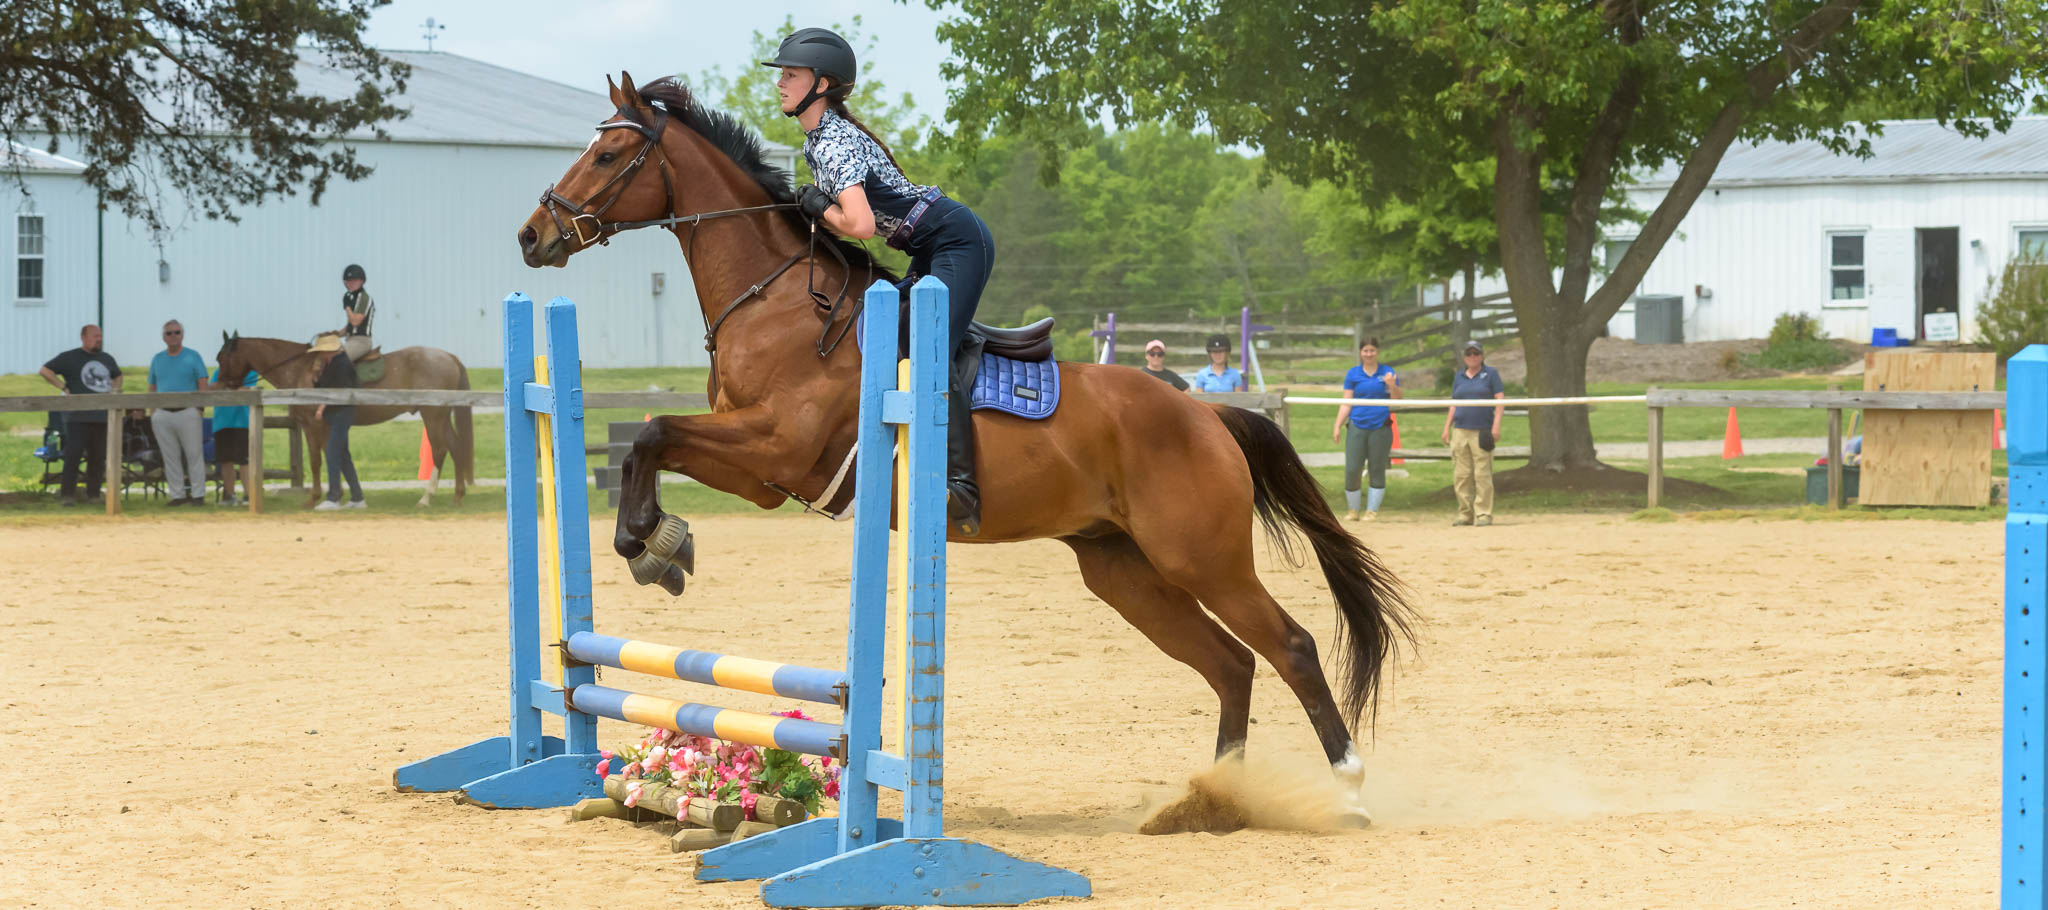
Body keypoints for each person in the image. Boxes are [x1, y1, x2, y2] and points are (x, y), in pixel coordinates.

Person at [768, 27, 993, 536]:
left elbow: (862, 227)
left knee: (927, 348)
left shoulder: (834, 140)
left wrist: (821, 207)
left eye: (790, 74)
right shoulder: (818, 140)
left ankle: (962, 484)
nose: (780, 83)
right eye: (781, 74)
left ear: (821, 83)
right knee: (894, 339)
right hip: (929, 247)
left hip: (957, 242)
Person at [38, 324, 123, 506]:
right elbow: (45, 370)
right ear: (84, 337)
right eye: (95, 336)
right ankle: (67, 495)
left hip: (101, 417)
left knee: (98, 457)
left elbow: (118, 375)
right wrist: (63, 387)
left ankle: (93, 494)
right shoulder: (70, 357)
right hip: (77, 417)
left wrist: (115, 391)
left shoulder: (107, 358)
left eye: (100, 335)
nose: (98, 339)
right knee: (73, 455)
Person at [1332, 337, 1401, 522]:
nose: (1369, 354)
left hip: (1380, 426)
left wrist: (1392, 386)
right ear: (1361, 353)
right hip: (1357, 425)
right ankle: (1353, 510)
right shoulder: (1353, 374)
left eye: (1372, 350)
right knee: (1353, 468)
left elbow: (1397, 401)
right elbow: (1346, 402)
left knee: (1377, 468)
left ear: (1377, 352)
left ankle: (1372, 510)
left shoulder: (1388, 372)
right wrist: (1338, 424)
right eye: (1365, 351)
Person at [1441, 340, 1505, 527]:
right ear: (1464, 357)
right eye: (1469, 354)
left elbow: (1500, 400)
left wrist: (1496, 425)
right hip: (1460, 430)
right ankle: (1465, 513)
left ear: (1482, 355)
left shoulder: (1491, 374)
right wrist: (1446, 427)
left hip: (1482, 430)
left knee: (1482, 474)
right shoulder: (1459, 376)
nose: (1472, 357)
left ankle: (1484, 513)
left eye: (1476, 353)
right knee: (1462, 475)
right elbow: (1454, 403)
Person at [148, 319, 211, 506]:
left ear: (182, 335)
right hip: (163, 415)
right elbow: (152, 386)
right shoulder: (157, 359)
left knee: (194, 454)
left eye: (176, 332)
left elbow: (203, 383)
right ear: (163, 337)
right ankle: (177, 495)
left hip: (188, 413)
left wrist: (200, 409)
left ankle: (198, 495)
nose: (173, 336)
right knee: (170, 456)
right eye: (169, 333)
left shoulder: (193, 356)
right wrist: (153, 411)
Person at [313, 351, 365, 510]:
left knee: (332, 453)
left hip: (342, 411)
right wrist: (317, 377)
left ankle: (333, 497)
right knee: (342, 456)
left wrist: (322, 407)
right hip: (336, 412)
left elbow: (340, 390)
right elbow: (325, 387)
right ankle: (357, 498)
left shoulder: (341, 364)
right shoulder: (331, 364)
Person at [211, 365, 261, 507]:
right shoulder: (220, 371)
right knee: (225, 460)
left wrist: (225, 387)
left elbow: (247, 390)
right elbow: (213, 387)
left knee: (244, 461)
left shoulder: (250, 372)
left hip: (242, 422)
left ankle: (248, 495)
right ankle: (229, 496)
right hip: (221, 422)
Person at [340, 263, 374, 362]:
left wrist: (347, 307)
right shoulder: (352, 299)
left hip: (361, 341)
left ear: (361, 281)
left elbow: (355, 322)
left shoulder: (364, 298)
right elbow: (350, 327)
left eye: (354, 280)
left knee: (339, 359)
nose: (351, 283)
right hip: (350, 340)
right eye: (348, 281)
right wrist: (334, 334)